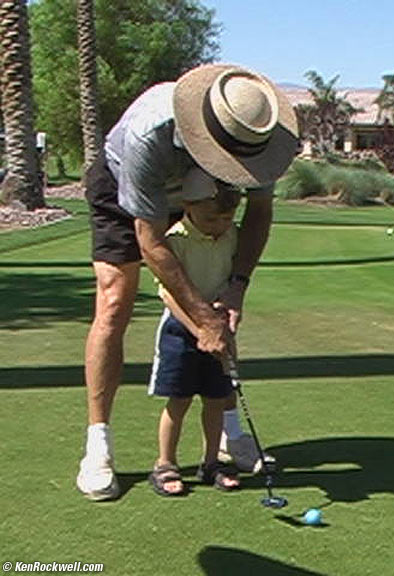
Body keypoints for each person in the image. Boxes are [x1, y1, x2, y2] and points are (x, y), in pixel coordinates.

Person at [77, 64, 298, 500]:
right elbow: (151, 241)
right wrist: (200, 318)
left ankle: (230, 434)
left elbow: (259, 214)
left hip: (203, 198)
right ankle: (97, 444)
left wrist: (236, 287)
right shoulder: (151, 133)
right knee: (115, 300)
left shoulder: (266, 137)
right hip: (126, 189)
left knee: (219, 302)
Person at [148, 168, 243, 496]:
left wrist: (221, 320)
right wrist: (199, 329)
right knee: (179, 399)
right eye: (210, 218)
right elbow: (168, 294)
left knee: (216, 399)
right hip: (180, 329)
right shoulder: (176, 239)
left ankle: (211, 462)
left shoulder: (232, 236)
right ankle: (165, 463)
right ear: (188, 206)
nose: (219, 226)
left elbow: (232, 279)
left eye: (226, 218)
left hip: (217, 327)